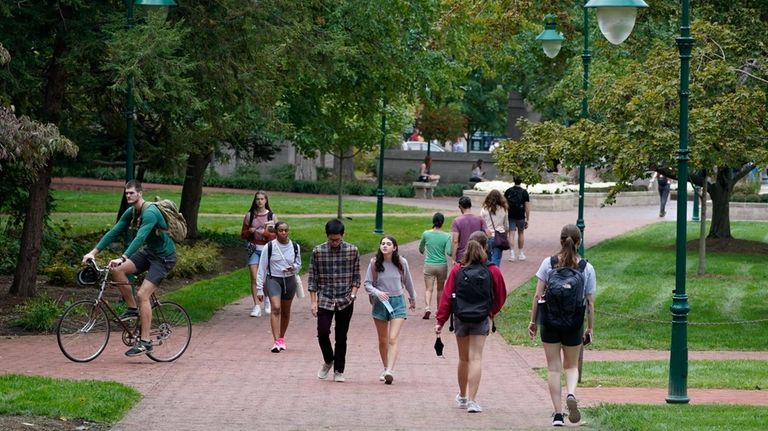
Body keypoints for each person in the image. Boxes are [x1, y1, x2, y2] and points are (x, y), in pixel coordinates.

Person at [81, 180, 177, 357]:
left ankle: (146, 342)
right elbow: (114, 231)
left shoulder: (150, 213)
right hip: (149, 253)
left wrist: (123, 257)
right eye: (126, 193)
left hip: (164, 258)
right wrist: (93, 252)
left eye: (132, 193)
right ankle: (132, 309)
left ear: (140, 193)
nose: (128, 196)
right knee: (117, 270)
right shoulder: (131, 212)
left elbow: (139, 238)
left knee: (143, 294)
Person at [527, 224, 596, 427]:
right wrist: (590, 328)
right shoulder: (586, 268)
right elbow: (590, 302)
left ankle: (558, 415)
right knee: (572, 366)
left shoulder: (548, 264)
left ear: (560, 241)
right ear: (579, 242)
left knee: (554, 369)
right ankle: (572, 393)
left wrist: (533, 321)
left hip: (550, 321)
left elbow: (538, 295)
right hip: (574, 322)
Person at [435, 238, 507, 413]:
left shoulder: (457, 269)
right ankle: (473, 401)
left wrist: (440, 321)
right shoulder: (493, 270)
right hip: (481, 318)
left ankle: (462, 396)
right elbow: (501, 295)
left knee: (463, 358)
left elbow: (446, 297)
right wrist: (491, 311)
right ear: (485, 247)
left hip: (461, 317)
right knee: (476, 358)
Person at [309, 219, 360, 383]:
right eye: (331, 239)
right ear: (327, 236)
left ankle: (339, 369)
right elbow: (312, 278)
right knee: (322, 332)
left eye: (337, 239)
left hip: (345, 298)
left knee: (341, 336)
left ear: (343, 235)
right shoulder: (318, 251)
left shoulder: (352, 251)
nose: (334, 242)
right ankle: (329, 359)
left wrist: (352, 295)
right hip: (325, 297)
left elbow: (356, 277)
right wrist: (313, 301)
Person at [363, 236, 416, 384]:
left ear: (395, 248)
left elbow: (408, 281)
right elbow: (367, 284)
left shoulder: (401, 262)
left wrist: (412, 298)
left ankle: (390, 370)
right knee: (383, 339)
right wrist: (377, 292)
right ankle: (385, 366)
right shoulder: (374, 263)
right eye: (383, 244)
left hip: (397, 302)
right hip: (380, 303)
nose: (385, 246)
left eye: (388, 244)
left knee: (393, 338)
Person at [256, 221, 300, 353]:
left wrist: (294, 268)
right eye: (280, 230)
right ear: (275, 232)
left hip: (289, 280)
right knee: (276, 308)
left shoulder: (295, 246)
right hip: (273, 279)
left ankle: (281, 338)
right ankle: (276, 341)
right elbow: (262, 268)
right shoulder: (269, 247)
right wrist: (259, 288)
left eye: (286, 230)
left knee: (286, 311)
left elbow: (299, 264)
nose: (284, 233)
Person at [242, 191, 277, 317]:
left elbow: (275, 236)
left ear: (266, 200)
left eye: (262, 199)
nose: (260, 201)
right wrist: (250, 232)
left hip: (266, 249)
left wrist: (264, 233)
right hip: (253, 249)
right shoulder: (249, 216)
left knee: (266, 278)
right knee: (254, 277)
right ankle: (256, 306)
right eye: (257, 199)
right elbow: (243, 234)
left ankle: (267, 300)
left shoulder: (271, 216)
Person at [418, 212, 452, 320]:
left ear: (433, 221)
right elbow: (449, 252)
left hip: (429, 264)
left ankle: (427, 307)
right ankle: (439, 310)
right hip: (442, 265)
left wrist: (423, 250)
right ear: (442, 223)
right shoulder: (446, 236)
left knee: (429, 289)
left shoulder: (426, 234)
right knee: (440, 289)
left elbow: (421, 248)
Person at [451, 196, 488, 263]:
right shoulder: (480, 219)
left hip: (462, 255)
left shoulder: (457, 221)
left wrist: (453, 258)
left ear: (460, 206)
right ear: (470, 205)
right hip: (477, 254)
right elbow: (487, 234)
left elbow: (455, 241)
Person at [479, 190, 509, 266]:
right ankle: (495, 275)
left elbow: (480, 223)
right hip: (499, 236)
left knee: (486, 260)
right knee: (496, 259)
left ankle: (488, 276)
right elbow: (506, 225)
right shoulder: (503, 209)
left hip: (487, 236)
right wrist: (505, 233)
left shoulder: (484, 209)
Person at [504, 178, 530, 261]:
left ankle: (512, 254)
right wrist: (527, 218)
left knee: (511, 234)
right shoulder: (524, 192)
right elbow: (527, 207)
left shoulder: (508, 191)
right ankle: (521, 253)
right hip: (520, 215)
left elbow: (504, 204)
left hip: (511, 215)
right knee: (521, 233)